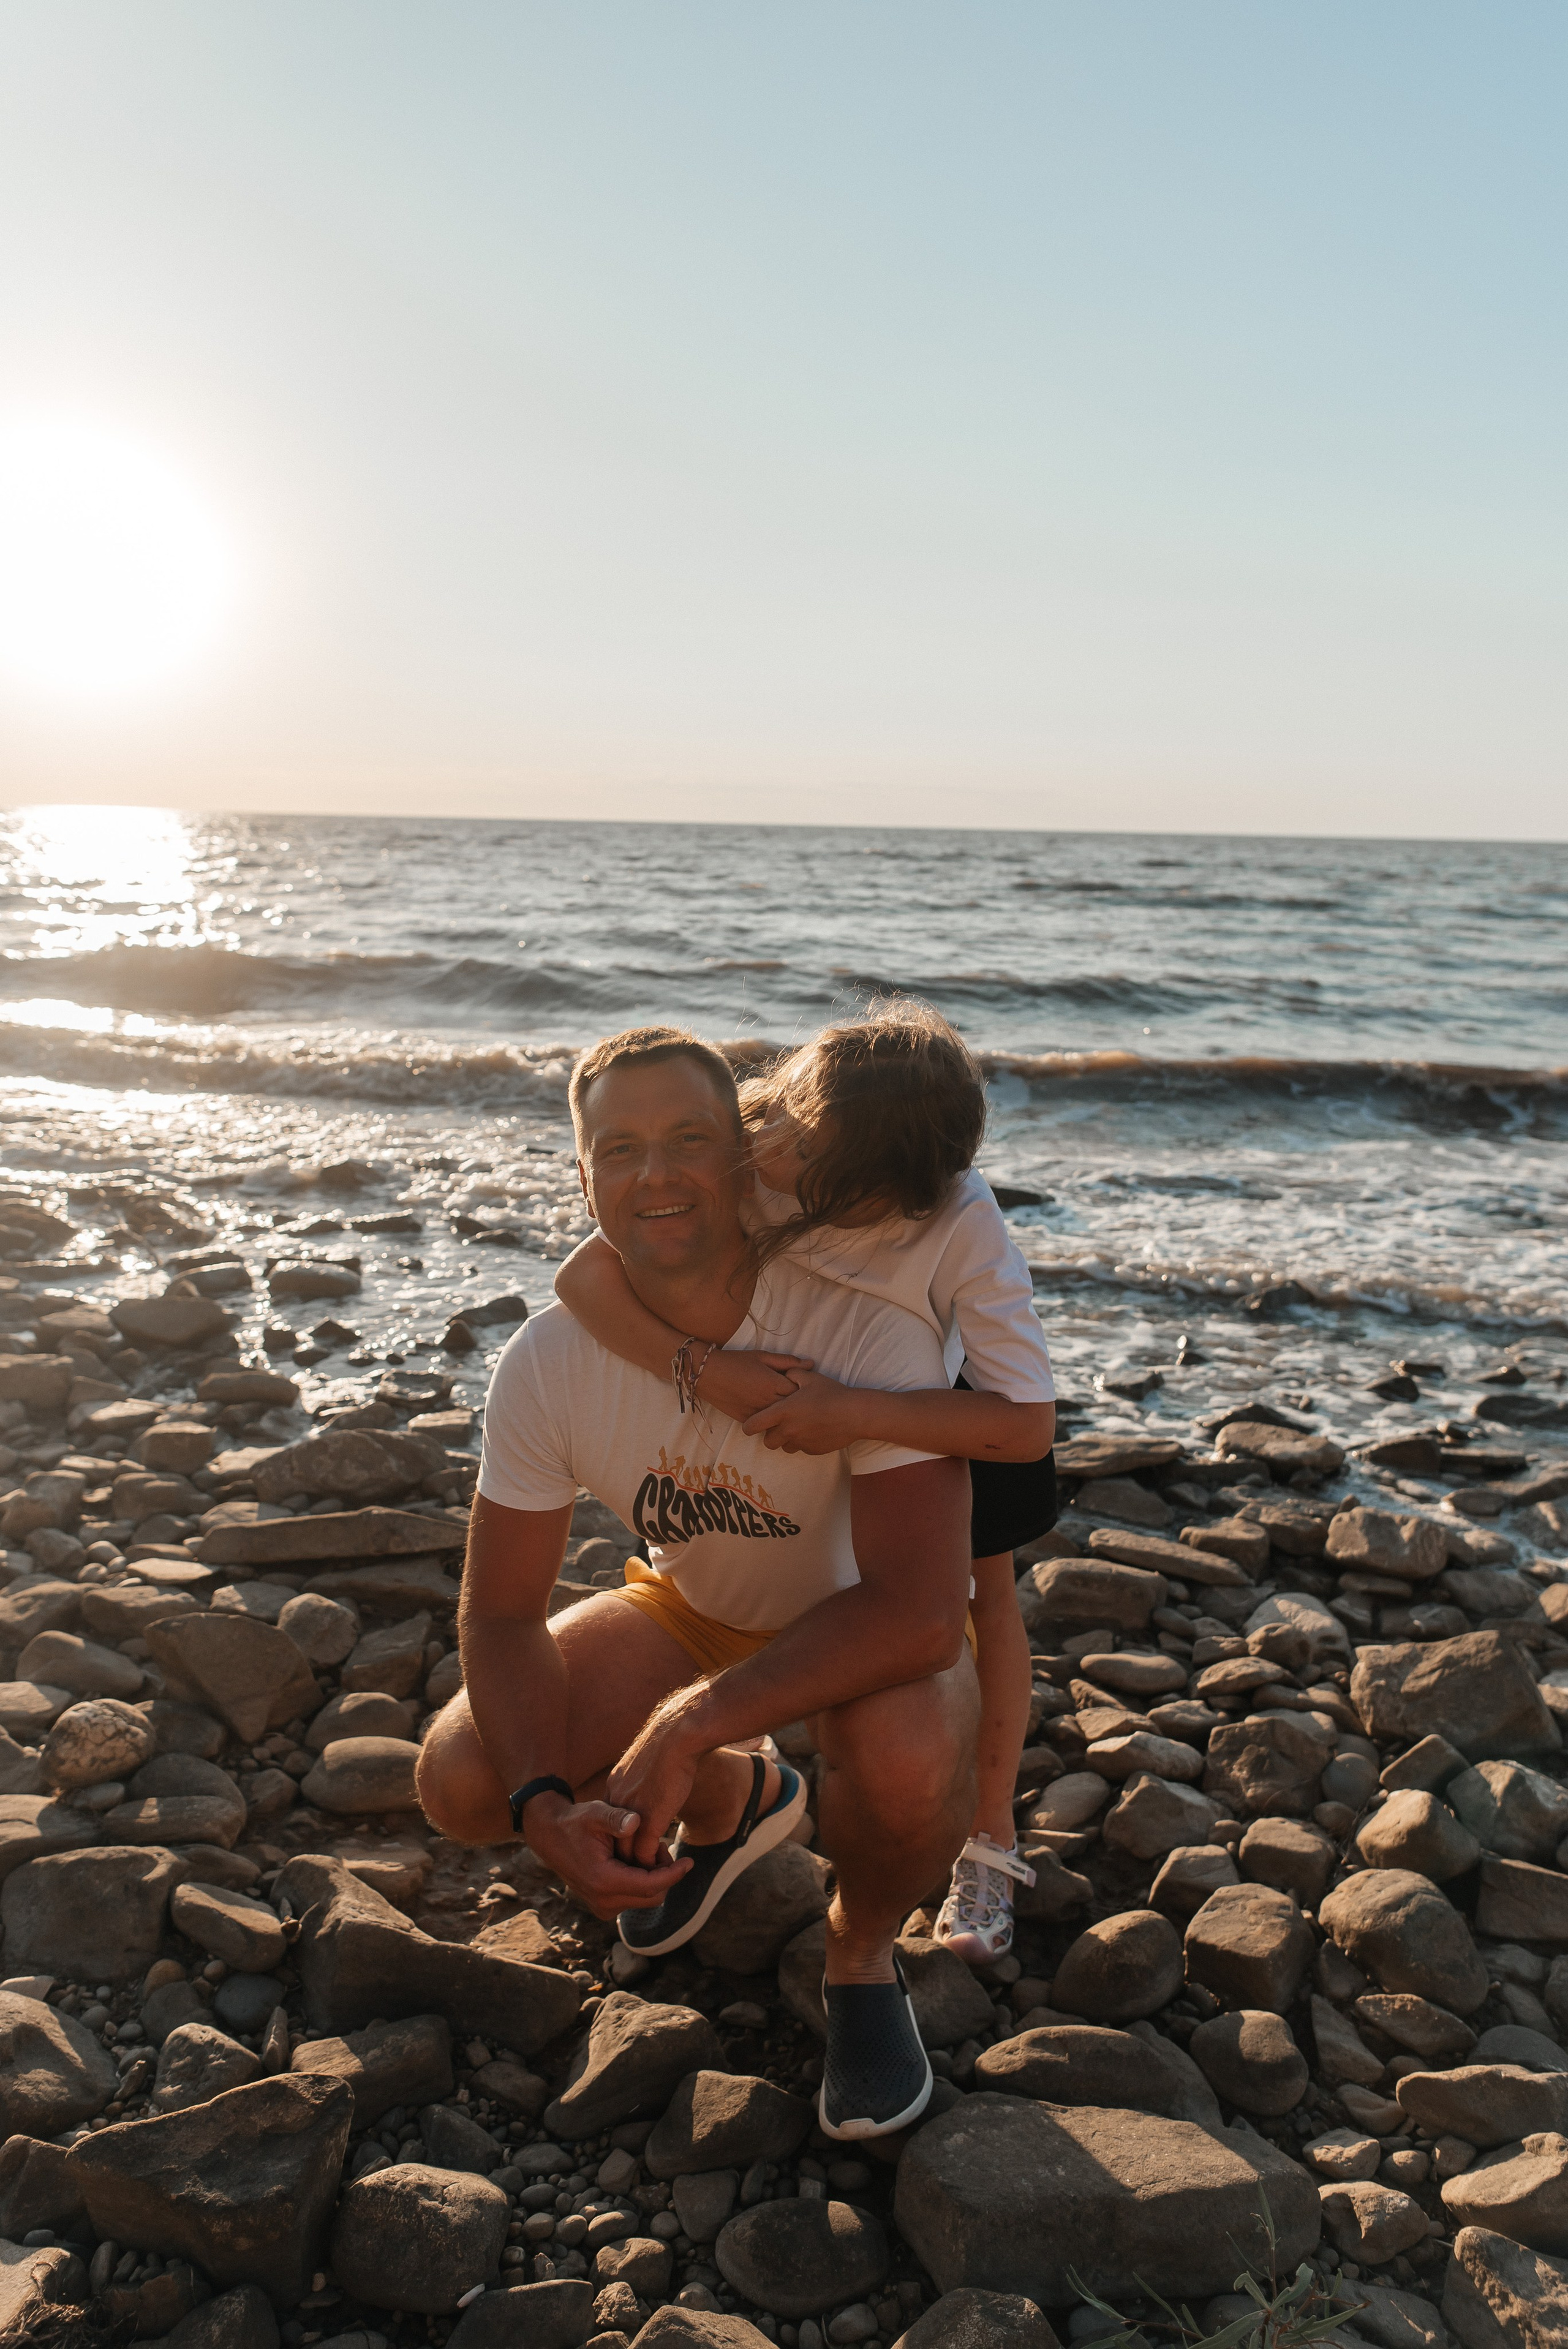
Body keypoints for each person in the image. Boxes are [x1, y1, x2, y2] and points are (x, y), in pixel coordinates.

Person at [415, 1023, 980, 2141]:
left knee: (906, 1758)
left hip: (868, 1634)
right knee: (464, 1778)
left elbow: (919, 1612)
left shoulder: (863, 1331)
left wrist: (685, 1725)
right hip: (696, 1608)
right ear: (581, 1174)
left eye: (687, 1139)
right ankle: (739, 1800)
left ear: (746, 1156)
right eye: (617, 1149)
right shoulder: (549, 1358)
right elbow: (502, 1610)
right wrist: (540, 1809)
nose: (655, 1173)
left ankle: (861, 1959)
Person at [554, 998, 1057, 1966]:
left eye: (861, 1199)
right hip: (788, 1377)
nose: (771, 1164)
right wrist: (696, 1369)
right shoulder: (762, 1139)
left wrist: (858, 1412)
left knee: (984, 1600)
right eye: (787, 1141)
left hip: (937, 1410)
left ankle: (989, 1838)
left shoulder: (960, 1217)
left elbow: (1025, 1424)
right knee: (795, 1562)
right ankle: (757, 1784)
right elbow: (586, 1279)